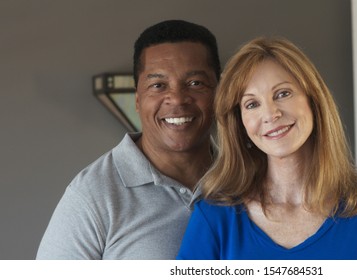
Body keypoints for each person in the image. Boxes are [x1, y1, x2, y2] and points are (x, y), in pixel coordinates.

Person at [177, 37, 357, 260]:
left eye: (283, 94)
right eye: (252, 104)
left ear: (313, 101)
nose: (270, 114)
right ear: (241, 124)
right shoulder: (214, 218)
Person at [36, 19, 221, 259]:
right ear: (137, 99)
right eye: (158, 85)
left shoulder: (248, 178)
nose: (176, 99)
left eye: (195, 83)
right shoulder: (91, 196)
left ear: (220, 92)